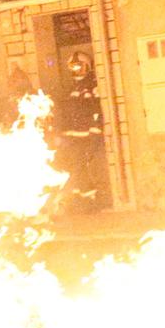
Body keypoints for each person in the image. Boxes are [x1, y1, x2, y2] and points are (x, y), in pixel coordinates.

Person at [51, 51, 105, 211]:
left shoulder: (93, 87)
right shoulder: (70, 88)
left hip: (86, 136)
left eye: (79, 66)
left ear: (87, 67)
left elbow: (96, 111)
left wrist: (95, 133)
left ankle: (90, 201)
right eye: (73, 67)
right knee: (71, 167)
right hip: (69, 138)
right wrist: (60, 133)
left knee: (80, 167)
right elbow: (63, 112)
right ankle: (78, 201)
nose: (76, 70)